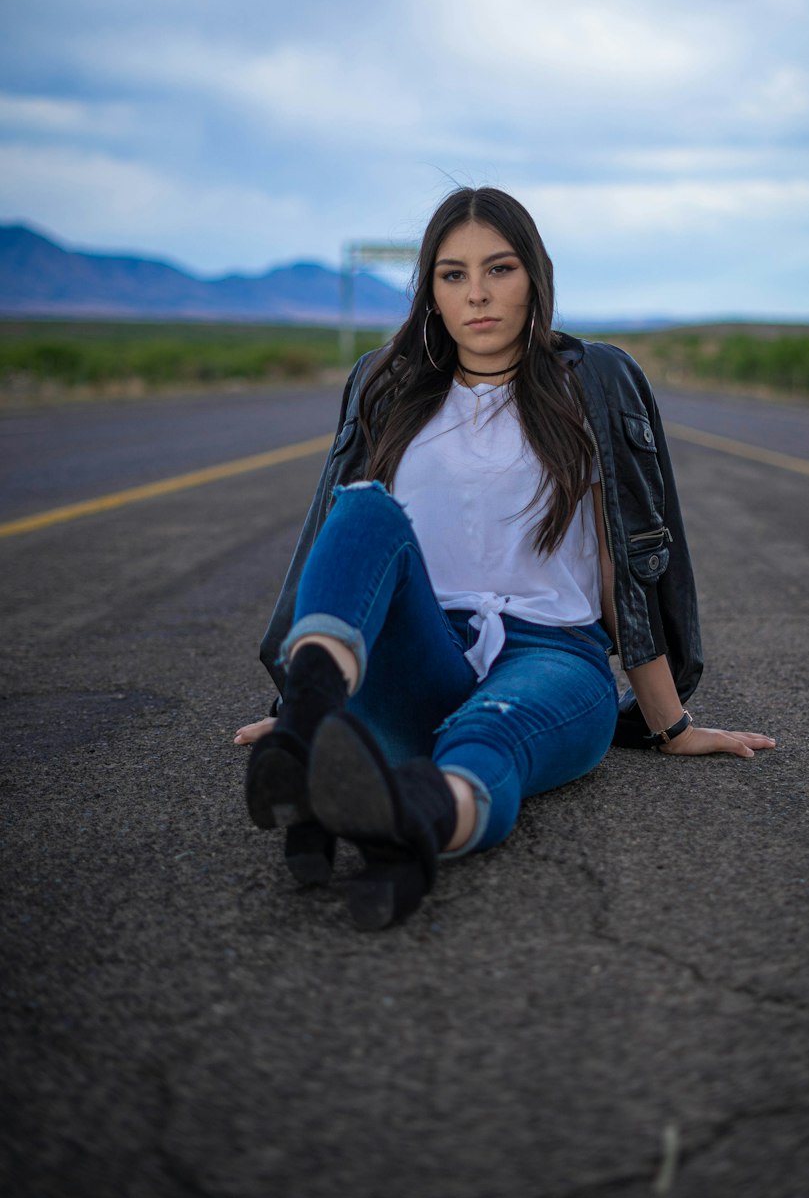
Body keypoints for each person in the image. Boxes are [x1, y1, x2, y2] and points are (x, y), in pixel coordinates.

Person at [235, 187, 774, 929]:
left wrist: (669, 723)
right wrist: (300, 696)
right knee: (360, 509)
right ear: (430, 291)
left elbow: (623, 563)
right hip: (427, 647)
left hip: (553, 656)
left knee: (489, 733)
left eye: (501, 269)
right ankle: (306, 728)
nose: (478, 294)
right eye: (453, 274)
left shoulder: (589, 386)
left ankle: (417, 822)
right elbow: (350, 555)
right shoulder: (385, 387)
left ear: (536, 278)